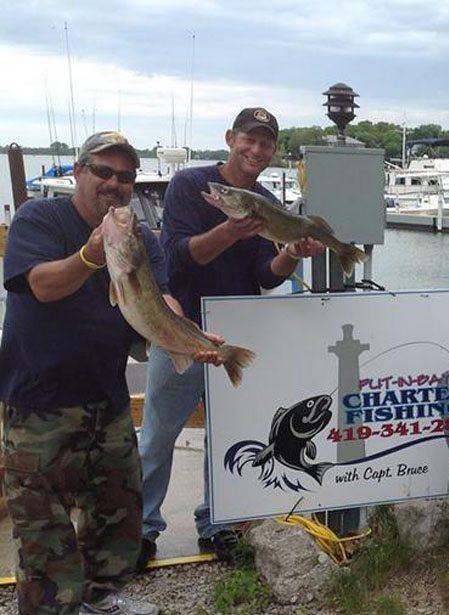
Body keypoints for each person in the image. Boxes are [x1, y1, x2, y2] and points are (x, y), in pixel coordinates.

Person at [0, 131, 220, 614]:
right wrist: (90, 256)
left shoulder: (139, 238)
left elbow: (158, 298)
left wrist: (185, 336)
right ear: (78, 172)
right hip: (40, 407)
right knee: (44, 534)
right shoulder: (40, 219)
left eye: (125, 176)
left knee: (117, 520)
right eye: (103, 171)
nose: (115, 184)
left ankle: (100, 602)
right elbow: (40, 285)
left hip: (109, 402)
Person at [137, 107, 327, 568]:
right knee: (158, 434)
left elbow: (265, 272)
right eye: (249, 139)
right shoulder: (191, 187)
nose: (256, 150)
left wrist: (290, 254)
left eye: (266, 143)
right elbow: (179, 259)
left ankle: (217, 524)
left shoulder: (264, 199)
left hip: (234, 336)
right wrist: (228, 229)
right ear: (230, 138)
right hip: (181, 330)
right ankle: (141, 529)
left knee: (225, 436)